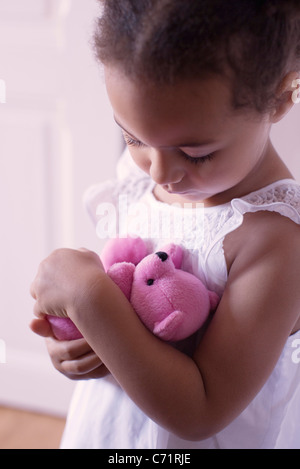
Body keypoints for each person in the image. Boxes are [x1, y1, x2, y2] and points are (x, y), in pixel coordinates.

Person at [30, 0, 300, 449]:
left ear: (280, 97)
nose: (157, 172)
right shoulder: (144, 176)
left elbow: (201, 411)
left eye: (196, 154)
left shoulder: (275, 239)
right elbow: (130, 308)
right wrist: (80, 338)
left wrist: (89, 298)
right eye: (132, 138)